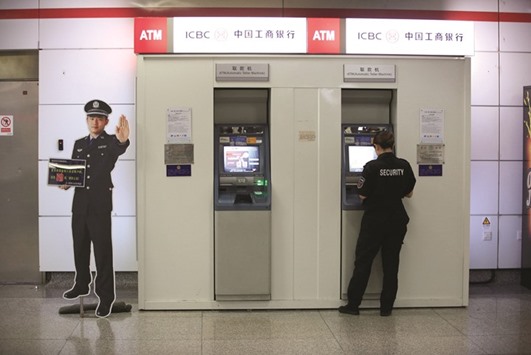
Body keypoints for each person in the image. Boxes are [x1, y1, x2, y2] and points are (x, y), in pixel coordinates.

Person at [60, 99, 130, 318]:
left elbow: (119, 148)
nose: (95, 122)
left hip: (100, 205)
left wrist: (123, 141)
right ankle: (81, 283)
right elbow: (75, 171)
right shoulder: (80, 143)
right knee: (79, 246)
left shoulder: (110, 141)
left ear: (106, 121)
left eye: (99, 118)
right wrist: (67, 181)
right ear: (86, 119)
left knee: (102, 251)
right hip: (80, 204)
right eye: (91, 118)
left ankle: (106, 297)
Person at [339, 131, 416, 317]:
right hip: (396, 220)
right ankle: (386, 308)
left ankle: (353, 305)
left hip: (375, 220)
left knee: (363, 261)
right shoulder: (404, 165)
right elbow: (409, 193)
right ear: (393, 145)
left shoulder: (372, 167)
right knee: (391, 264)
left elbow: (363, 194)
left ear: (376, 147)